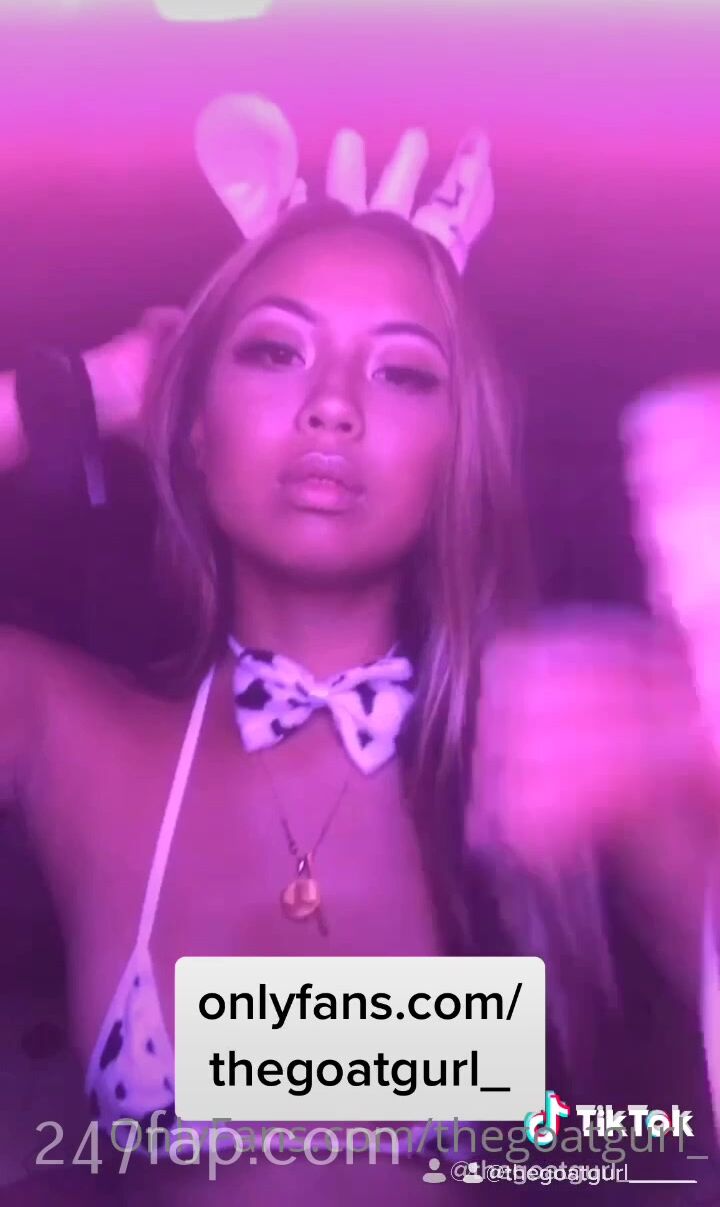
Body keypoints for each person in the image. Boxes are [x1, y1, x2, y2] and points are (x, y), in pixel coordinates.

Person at [1, 111, 718, 1204]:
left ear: (463, 446)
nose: (332, 406)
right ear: (194, 421)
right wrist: (81, 393)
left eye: (403, 373)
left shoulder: (561, 745)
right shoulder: (73, 735)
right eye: (276, 351)